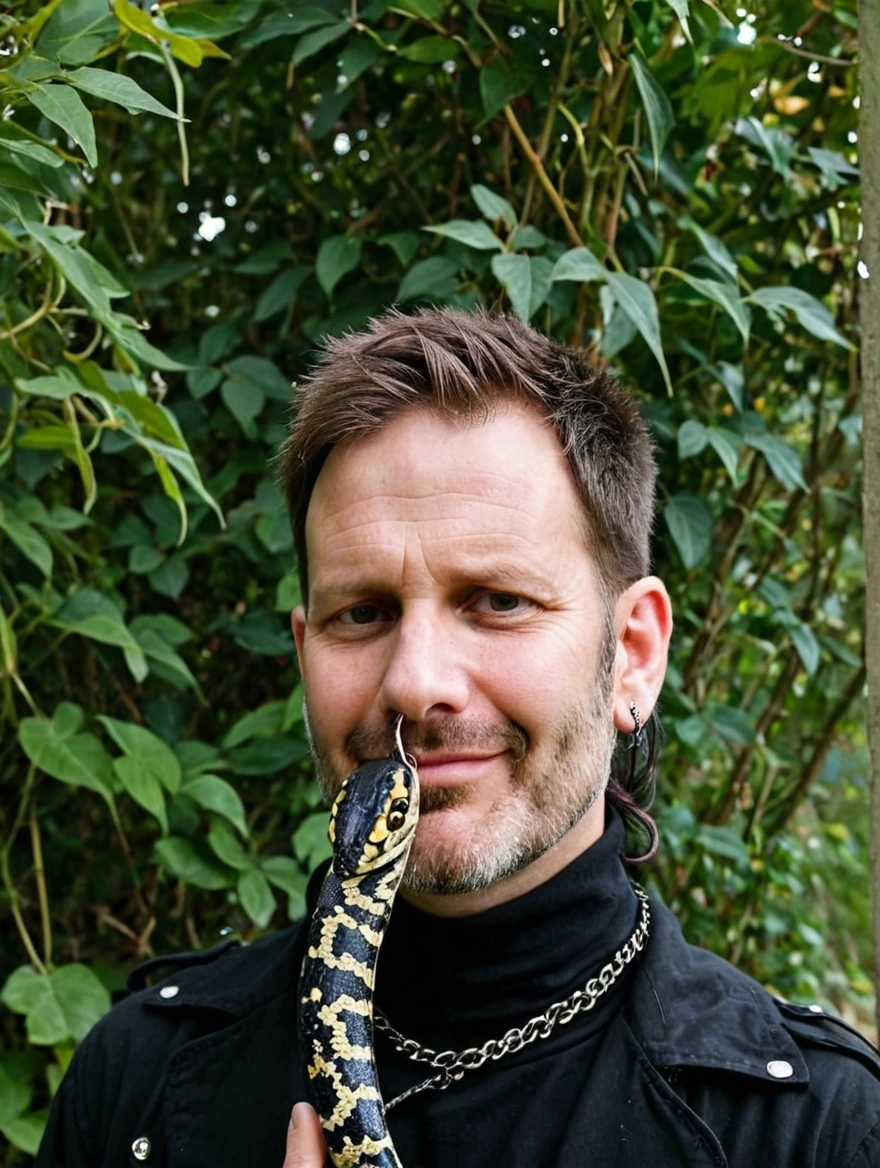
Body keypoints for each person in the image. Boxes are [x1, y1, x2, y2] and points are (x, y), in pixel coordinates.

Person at [37, 309, 880, 1168]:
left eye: (498, 601)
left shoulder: (824, 1131)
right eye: (361, 613)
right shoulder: (130, 1077)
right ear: (304, 654)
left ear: (632, 656)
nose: (415, 682)